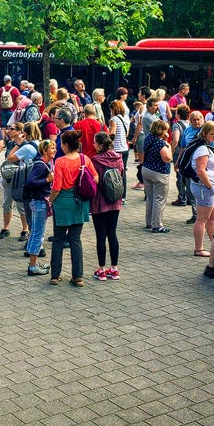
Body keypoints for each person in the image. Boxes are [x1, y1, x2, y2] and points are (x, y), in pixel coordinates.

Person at [48, 131, 96, 287]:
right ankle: (78, 276)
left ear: (66, 145)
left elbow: (57, 187)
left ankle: (55, 276)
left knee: (58, 239)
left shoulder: (60, 162)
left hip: (62, 203)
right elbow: (95, 178)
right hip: (79, 203)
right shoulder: (85, 159)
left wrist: (51, 200)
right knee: (75, 240)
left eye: (61, 143)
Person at [91, 132, 124, 280]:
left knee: (100, 235)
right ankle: (114, 268)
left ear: (100, 145)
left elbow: (93, 181)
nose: (93, 145)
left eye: (95, 143)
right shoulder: (119, 158)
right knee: (112, 233)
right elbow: (121, 174)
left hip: (99, 202)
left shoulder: (95, 160)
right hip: (115, 201)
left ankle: (101, 269)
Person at [24, 140, 56, 276]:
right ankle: (32, 266)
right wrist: (48, 180)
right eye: (52, 148)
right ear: (44, 151)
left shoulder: (43, 163)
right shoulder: (41, 165)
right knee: (38, 233)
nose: (54, 150)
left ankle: (34, 263)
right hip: (39, 201)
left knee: (35, 233)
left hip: (38, 201)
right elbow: (30, 182)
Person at [188, 121, 214, 256]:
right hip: (204, 188)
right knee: (202, 219)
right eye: (212, 134)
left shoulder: (207, 147)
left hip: (208, 188)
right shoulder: (202, 149)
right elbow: (201, 171)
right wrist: (210, 186)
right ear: (204, 134)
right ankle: (199, 248)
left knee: (213, 218)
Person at [142, 120, 172, 233]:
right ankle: (157, 225)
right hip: (159, 172)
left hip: (146, 169)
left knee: (150, 197)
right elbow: (167, 158)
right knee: (159, 199)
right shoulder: (161, 144)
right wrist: (168, 144)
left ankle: (149, 222)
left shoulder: (148, 138)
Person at [106, 101, 131, 199]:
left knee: (115, 174)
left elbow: (112, 134)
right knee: (123, 172)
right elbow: (126, 134)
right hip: (125, 148)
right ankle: (123, 195)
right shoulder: (125, 119)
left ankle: (117, 194)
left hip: (116, 149)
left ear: (113, 109)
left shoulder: (114, 119)